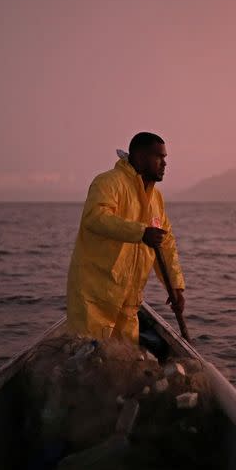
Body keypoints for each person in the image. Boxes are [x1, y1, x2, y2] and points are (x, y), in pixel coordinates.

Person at [66, 132, 185, 343]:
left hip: (129, 302)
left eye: (165, 158)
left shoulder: (156, 198)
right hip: (95, 298)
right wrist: (141, 233)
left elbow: (165, 244)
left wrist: (175, 286)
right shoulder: (108, 183)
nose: (164, 163)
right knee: (90, 360)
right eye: (159, 157)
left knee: (123, 361)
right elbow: (95, 217)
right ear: (140, 157)